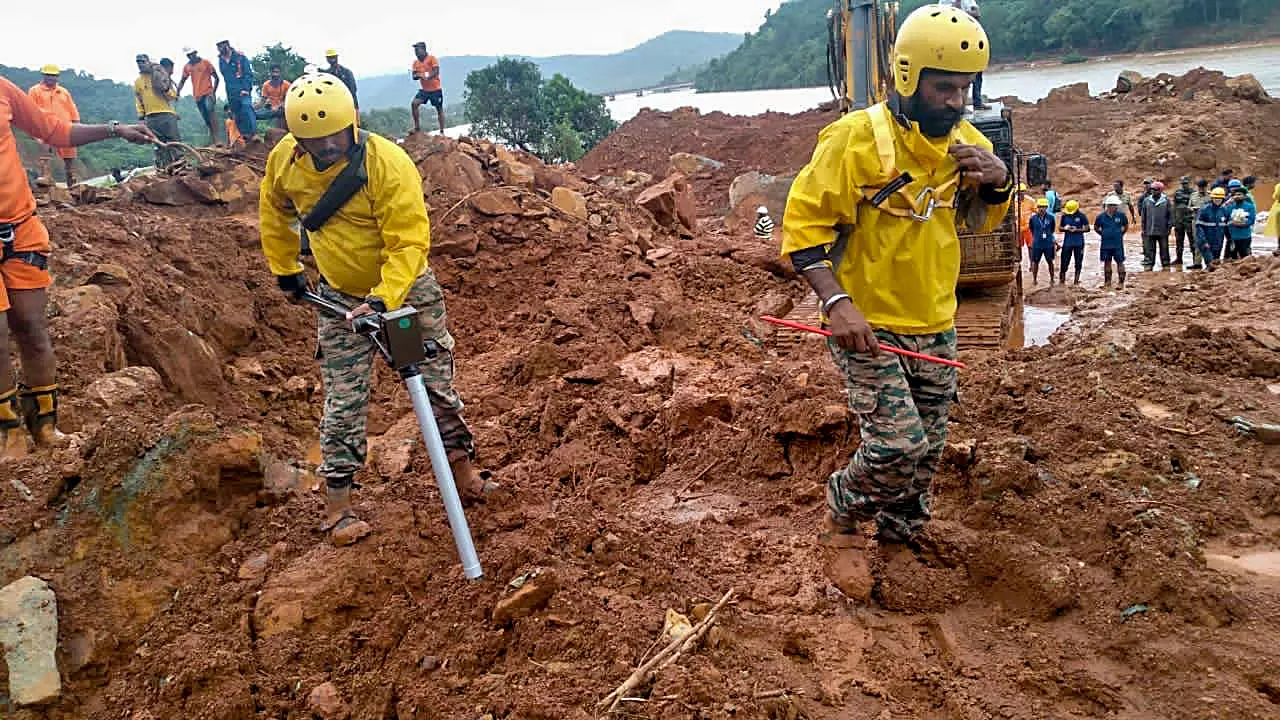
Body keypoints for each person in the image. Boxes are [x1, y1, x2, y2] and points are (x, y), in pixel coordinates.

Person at [781, 4, 1011, 577]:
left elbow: (980, 226)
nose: (956, 101)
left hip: (936, 320)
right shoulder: (854, 140)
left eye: (964, 88)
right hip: (869, 324)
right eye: (943, 88)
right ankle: (844, 510)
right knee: (897, 444)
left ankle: (902, 535)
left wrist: (998, 183)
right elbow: (802, 233)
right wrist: (837, 303)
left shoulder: (969, 144)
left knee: (929, 449)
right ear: (907, 77)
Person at [259, 74, 496, 546]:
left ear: (353, 122)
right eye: (314, 143)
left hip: (401, 295)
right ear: (296, 139)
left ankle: (463, 471)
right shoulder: (286, 161)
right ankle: (338, 504)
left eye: (334, 137)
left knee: (435, 386)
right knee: (344, 400)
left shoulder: (387, 164)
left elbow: (409, 241)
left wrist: (384, 300)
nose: (326, 148)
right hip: (340, 300)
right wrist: (285, 267)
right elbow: (274, 210)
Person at [1, 77, 157, 459]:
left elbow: (53, 129)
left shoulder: (3, 89)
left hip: (19, 228)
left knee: (32, 329)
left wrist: (116, 129)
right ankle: (9, 436)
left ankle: (46, 427)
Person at [27, 66, 81, 187]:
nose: (51, 78)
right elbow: (30, 111)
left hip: (65, 128)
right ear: (44, 75)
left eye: (54, 75)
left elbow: (73, 110)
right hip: (45, 129)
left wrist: (76, 127)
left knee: (69, 159)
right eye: (49, 75)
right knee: (45, 157)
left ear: (57, 77)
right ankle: (46, 185)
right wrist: (35, 133)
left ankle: (72, 186)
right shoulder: (35, 91)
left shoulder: (63, 92)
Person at [133, 53, 181, 169]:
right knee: (159, 145)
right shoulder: (138, 82)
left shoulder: (158, 75)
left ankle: (181, 167)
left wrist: (165, 90)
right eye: (138, 62)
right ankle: (165, 170)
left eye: (142, 61)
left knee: (174, 143)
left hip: (166, 114)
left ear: (148, 61)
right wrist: (141, 117)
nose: (140, 64)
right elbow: (139, 101)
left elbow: (173, 95)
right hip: (150, 117)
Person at [217, 40, 257, 143]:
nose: (220, 48)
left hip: (243, 91)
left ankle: (253, 135)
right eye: (218, 46)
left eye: (221, 45)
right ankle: (243, 139)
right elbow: (225, 77)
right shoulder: (220, 60)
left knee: (247, 108)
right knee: (237, 115)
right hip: (231, 93)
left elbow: (248, 74)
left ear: (227, 45)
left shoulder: (240, 57)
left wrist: (246, 89)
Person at [178, 47, 220, 144]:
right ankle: (213, 140)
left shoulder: (205, 63)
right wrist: (178, 92)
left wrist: (213, 92)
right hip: (197, 96)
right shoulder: (187, 67)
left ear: (196, 52)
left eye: (192, 54)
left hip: (208, 92)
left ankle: (217, 140)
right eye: (188, 55)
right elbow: (182, 80)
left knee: (211, 112)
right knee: (206, 118)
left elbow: (216, 78)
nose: (190, 56)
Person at [1095, 195, 1129, 289]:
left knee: (1120, 262)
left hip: (1118, 244)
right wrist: (1103, 234)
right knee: (1107, 262)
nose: (1116, 207)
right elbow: (1096, 227)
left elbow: (1126, 226)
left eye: (1116, 205)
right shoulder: (1101, 217)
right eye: (1115, 205)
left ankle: (1121, 283)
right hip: (1106, 244)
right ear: (1109, 206)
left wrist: (1120, 234)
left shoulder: (1121, 216)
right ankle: (1107, 282)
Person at [411, 42, 445, 134]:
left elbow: (436, 71)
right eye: (415, 51)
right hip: (425, 91)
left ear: (423, 50)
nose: (416, 53)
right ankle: (417, 127)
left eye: (417, 50)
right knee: (414, 104)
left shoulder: (432, 59)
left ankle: (442, 131)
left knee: (439, 109)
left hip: (435, 89)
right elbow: (414, 76)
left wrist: (426, 76)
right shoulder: (416, 63)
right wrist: (419, 75)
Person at [1140, 180, 1174, 271]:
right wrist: (1143, 228)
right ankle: (1149, 264)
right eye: (1152, 189)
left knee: (1164, 248)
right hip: (1149, 229)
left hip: (1163, 229)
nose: (1153, 191)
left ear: (1160, 190)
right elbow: (1143, 215)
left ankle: (1165, 264)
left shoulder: (1166, 201)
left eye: (1156, 189)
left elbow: (1170, 215)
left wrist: (1169, 227)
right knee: (1150, 249)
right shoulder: (1146, 200)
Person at [1195, 187, 1230, 270]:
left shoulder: (1224, 210)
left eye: (1219, 198)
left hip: (1218, 242)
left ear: (1223, 199)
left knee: (1216, 263)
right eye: (1215, 198)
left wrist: (1230, 239)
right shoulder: (1204, 210)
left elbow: (1226, 228)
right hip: (1206, 242)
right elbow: (1199, 227)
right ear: (1212, 198)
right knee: (1211, 264)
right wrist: (1203, 241)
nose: (1217, 200)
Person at [1058, 199, 1088, 285]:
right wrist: (1065, 228)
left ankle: (1076, 281)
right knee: (1064, 261)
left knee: (1078, 262)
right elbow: (1060, 228)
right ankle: (1062, 281)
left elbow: (1087, 228)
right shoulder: (1064, 216)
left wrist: (1077, 230)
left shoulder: (1082, 216)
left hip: (1079, 243)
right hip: (1067, 243)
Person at [1028, 197, 1056, 285]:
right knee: (1035, 262)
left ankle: (1052, 279)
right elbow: (1031, 229)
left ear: (1047, 207)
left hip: (1048, 243)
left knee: (1050, 261)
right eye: (1040, 207)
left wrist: (1048, 236)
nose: (1042, 209)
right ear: (1037, 207)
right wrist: (1037, 236)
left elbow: (1052, 229)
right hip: (1037, 244)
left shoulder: (1051, 218)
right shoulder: (1033, 218)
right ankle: (1034, 279)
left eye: (1044, 207)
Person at [1225, 184, 1257, 259]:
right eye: (1235, 195)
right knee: (1233, 258)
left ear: (1245, 196)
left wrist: (1240, 224)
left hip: (1245, 237)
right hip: (1233, 237)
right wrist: (1226, 203)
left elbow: (1251, 220)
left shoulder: (1249, 206)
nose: (1237, 196)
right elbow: (1225, 217)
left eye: (1239, 194)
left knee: (1245, 258)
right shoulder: (1230, 206)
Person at [1186, 178, 1211, 269]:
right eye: (1199, 187)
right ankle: (1197, 263)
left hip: (1208, 222)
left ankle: (1209, 262)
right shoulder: (1193, 195)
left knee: (1208, 241)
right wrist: (1192, 209)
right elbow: (1189, 207)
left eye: (1203, 187)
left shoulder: (1210, 196)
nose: (1201, 189)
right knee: (1197, 242)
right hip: (1196, 221)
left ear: (1206, 187)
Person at [1171, 176, 1195, 268]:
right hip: (1179, 220)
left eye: (1186, 183)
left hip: (1189, 220)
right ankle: (1179, 258)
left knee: (1192, 241)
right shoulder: (1177, 193)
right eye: (1183, 183)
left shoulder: (1193, 193)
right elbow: (1174, 206)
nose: (1184, 185)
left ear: (1189, 183)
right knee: (1179, 241)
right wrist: (1173, 220)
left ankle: (1195, 260)